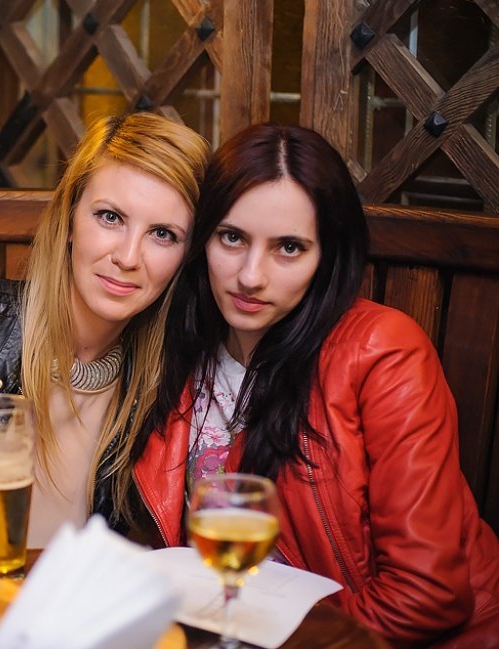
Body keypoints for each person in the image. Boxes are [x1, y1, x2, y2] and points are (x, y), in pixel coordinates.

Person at [131, 123, 499, 647]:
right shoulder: (177, 349)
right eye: (232, 237)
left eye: (288, 247)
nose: (251, 276)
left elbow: (426, 593)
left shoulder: (383, 352)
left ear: (326, 256)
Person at [0, 112, 209, 547]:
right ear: (70, 218)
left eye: (163, 234)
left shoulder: (160, 391)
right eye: (110, 217)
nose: (129, 257)